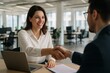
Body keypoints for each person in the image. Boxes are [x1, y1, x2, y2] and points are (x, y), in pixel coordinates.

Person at [52, 0, 110, 73]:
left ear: (94, 15)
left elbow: (93, 58)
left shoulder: (95, 47)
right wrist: (69, 53)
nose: (87, 19)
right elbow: (93, 61)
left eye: (87, 13)